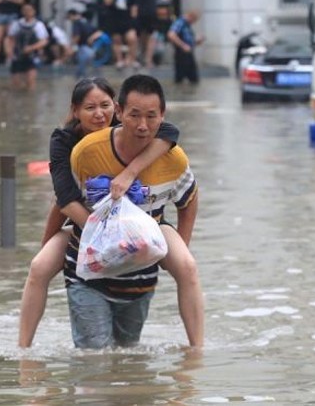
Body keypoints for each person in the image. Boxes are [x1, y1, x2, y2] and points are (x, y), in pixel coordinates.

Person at [18, 77, 204, 349]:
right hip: (85, 221)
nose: (99, 114)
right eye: (90, 108)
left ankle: (197, 350)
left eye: (104, 105)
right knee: (38, 267)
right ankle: (24, 349)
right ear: (75, 111)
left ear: (114, 108)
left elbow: (170, 134)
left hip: (147, 221)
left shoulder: (141, 131)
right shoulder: (70, 145)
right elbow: (63, 200)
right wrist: (101, 231)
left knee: (187, 266)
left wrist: (130, 173)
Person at [132, 0, 173, 68]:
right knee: (141, 36)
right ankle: (141, 55)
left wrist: (162, 1)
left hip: (154, 13)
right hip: (141, 13)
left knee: (152, 36)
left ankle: (148, 59)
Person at [5, 3, 49, 90]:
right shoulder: (16, 24)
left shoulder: (38, 25)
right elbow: (9, 39)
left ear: (34, 12)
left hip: (32, 56)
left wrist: (31, 48)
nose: (27, 12)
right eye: (25, 10)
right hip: (17, 56)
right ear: (22, 11)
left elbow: (44, 41)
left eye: (29, 10)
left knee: (31, 82)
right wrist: (8, 51)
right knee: (16, 84)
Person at [103, 0, 139, 69]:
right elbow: (107, 3)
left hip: (127, 19)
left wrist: (134, 17)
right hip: (114, 19)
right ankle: (119, 61)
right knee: (117, 41)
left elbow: (134, 5)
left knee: (132, 38)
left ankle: (132, 59)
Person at [67, 9, 112, 78]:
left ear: (71, 15)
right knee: (92, 66)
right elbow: (99, 32)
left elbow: (76, 37)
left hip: (85, 47)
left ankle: (80, 78)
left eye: (69, 18)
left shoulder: (76, 23)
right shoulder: (85, 21)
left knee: (83, 66)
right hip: (95, 48)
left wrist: (71, 47)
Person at [167, 10, 204, 84]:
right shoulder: (180, 22)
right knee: (180, 78)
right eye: (194, 20)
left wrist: (196, 42)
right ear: (191, 17)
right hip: (181, 54)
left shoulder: (187, 25)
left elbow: (188, 42)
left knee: (194, 79)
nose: (194, 23)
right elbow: (171, 35)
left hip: (188, 54)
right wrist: (183, 46)